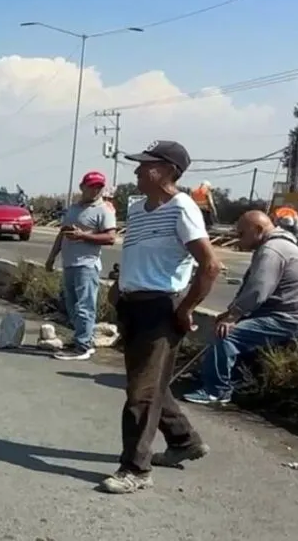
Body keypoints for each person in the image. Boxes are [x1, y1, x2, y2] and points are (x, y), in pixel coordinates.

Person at [102, 140, 222, 494]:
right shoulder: (137, 208)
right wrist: (119, 284)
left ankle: (135, 469)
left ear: (167, 171)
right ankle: (185, 440)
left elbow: (210, 265)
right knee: (149, 385)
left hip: (160, 308)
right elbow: (139, 255)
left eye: (145, 165)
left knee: (141, 393)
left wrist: (185, 309)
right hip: (132, 305)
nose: (137, 171)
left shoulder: (183, 208)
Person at [183, 211, 298, 404]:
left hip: (291, 319)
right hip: (282, 314)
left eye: (241, 234)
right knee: (229, 327)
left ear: (257, 230)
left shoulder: (272, 250)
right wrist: (231, 312)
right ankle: (230, 379)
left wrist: (233, 317)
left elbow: (258, 289)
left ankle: (217, 390)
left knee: (226, 335)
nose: (238, 240)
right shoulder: (275, 246)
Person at [45, 171, 117, 361]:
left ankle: (82, 346)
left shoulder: (104, 210)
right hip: (69, 264)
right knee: (71, 305)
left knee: (85, 306)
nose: (95, 190)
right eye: (91, 186)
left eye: (99, 187)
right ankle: (82, 338)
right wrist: (52, 257)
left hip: (87, 264)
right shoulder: (73, 209)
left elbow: (111, 237)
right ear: (82, 187)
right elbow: (62, 234)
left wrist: (83, 236)